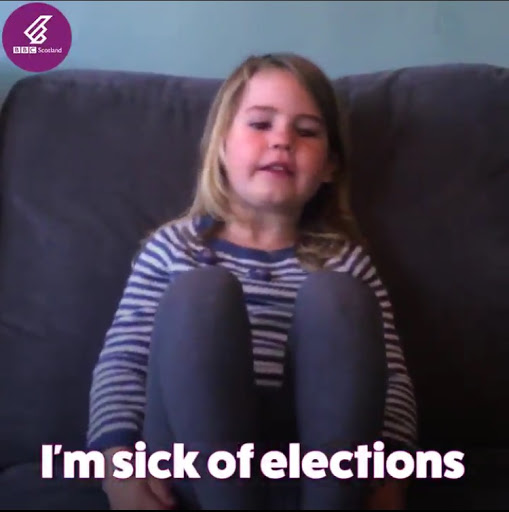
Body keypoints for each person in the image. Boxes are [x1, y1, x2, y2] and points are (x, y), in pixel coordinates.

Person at [86, 52, 418, 510]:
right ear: (221, 147)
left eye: (307, 132)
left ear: (330, 166)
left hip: (311, 474)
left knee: (338, 297)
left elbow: (391, 380)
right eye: (261, 124)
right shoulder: (174, 247)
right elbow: (123, 363)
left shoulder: (345, 261)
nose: (282, 140)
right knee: (201, 294)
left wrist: (392, 473)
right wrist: (116, 465)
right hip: (191, 469)